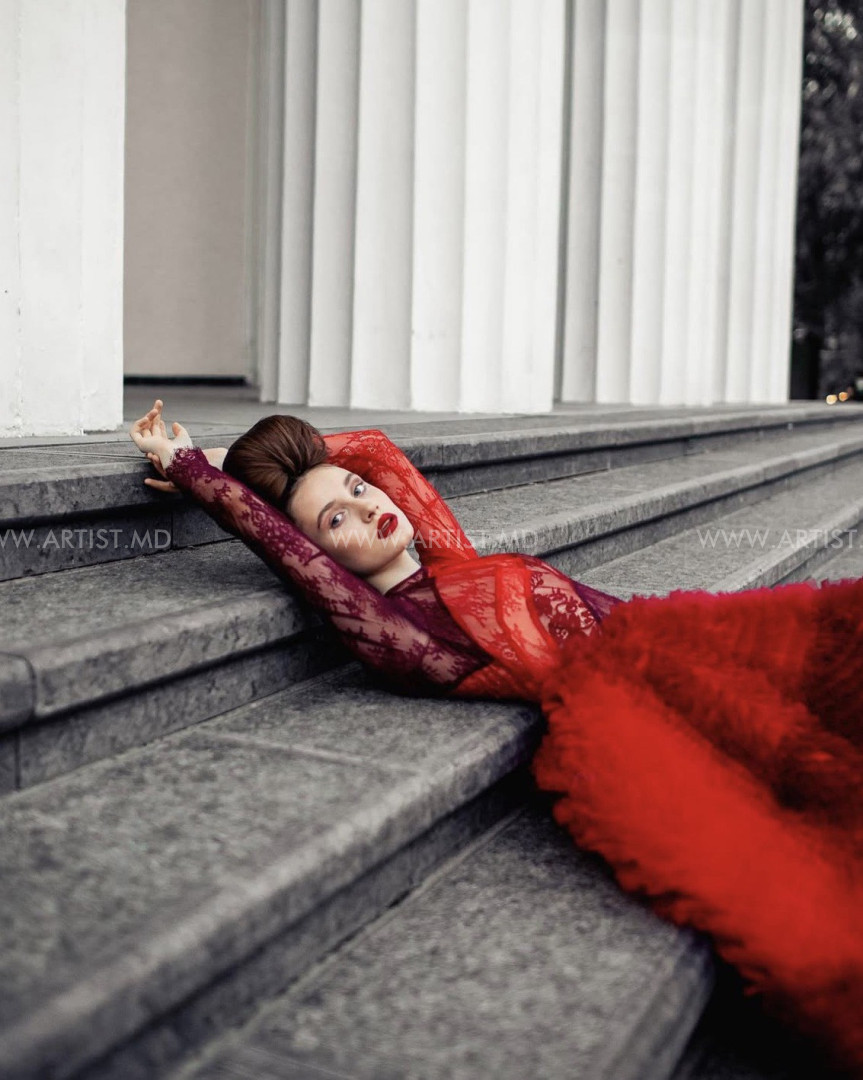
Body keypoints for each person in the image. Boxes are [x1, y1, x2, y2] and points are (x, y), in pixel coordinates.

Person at [130, 399, 863, 1075]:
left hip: (673, 645)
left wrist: (244, 461)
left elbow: (377, 450)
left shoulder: (449, 559)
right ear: (317, 551)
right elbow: (289, 551)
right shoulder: (402, 634)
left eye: (357, 491)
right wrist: (197, 474)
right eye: (336, 520)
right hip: (649, 702)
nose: (369, 506)